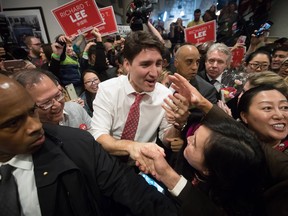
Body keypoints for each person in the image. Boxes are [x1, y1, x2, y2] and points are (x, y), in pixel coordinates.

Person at [0, 74, 178, 216]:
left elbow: (133, 192)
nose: (35, 126)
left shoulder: (79, 144)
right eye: (13, 123)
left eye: (32, 111)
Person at [139, 73, 268, 215]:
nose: (187, 139)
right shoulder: (189, 160)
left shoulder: (223, 203)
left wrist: (167, 175)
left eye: (194, 143)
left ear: (208, 170)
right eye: (194, 134)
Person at [90, 31, 188, 167]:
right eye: (145, 65)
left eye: (158, 64)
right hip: (108, 163)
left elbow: (166, 139)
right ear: (127, 65)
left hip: (143, 166)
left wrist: (178, 125)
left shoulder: (165, 95)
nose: (154, 73)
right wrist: (132, 147)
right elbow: (99, 136)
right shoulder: (108, 90)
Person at [13, 69, 92, 131]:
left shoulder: (76, 109)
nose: (57, 105)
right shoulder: (29, 135)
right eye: (47, 103)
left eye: (58, 96)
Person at [238, 84, 288, 154]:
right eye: (267, 108)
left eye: (284, 107)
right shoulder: (231, 148)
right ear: (245, 116)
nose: (280, 115)